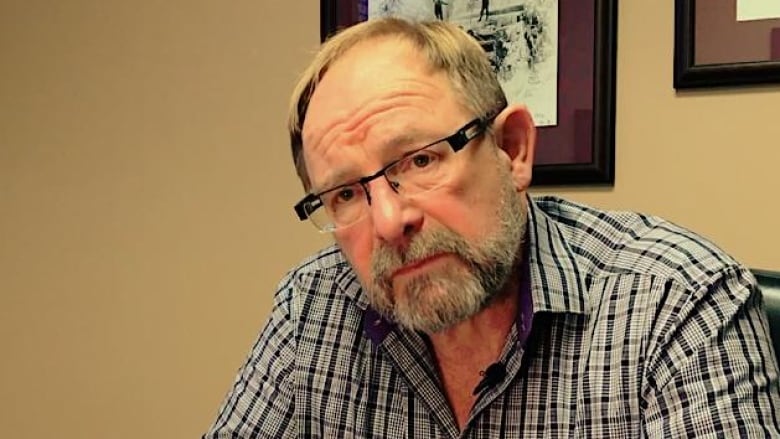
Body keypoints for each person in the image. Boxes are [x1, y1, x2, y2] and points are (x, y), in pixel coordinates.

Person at [204, 18, 780, 437]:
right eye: (347, 194)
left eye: (420, 159)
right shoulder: (314, 308)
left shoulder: (674, 302)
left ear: (512, 149)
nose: (388, 221)